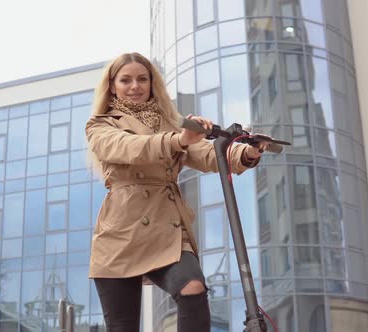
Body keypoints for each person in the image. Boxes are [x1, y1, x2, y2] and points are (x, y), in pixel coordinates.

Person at [85, 52, 273, 332]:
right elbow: (129, 148)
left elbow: (207, 153)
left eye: (142, 79)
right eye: (126, 80)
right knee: (122, 327)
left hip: (167, 226)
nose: (135, 86)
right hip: (121, 232)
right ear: (112, 86)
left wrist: (246, 152)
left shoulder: (171, 123)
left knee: (193, 287)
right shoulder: (100, 125)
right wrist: (179, 139)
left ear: (152, 84)